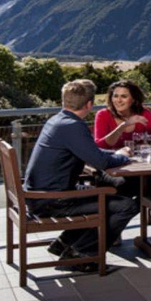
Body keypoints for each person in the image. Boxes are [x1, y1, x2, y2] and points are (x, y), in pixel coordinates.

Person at [23, 79, 139, 272]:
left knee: (112, 191)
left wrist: (116, 154)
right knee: (127, 206)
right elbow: (100, 162)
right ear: (89, 105)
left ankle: (64, 243)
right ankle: (82, 254)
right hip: (52, 200)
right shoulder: (73, 126)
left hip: (43, 194)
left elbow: (92, 152)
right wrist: (121, 157)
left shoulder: (58, 121)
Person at [94, 80, 151, 149]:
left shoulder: (144, 114)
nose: (118, 100)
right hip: (113, 161)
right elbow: (99, 145)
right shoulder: (103, 115)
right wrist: (124, 125)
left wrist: (141, 146)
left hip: (139, 161)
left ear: (133, 99)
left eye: (124, 96)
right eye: (115, 96)